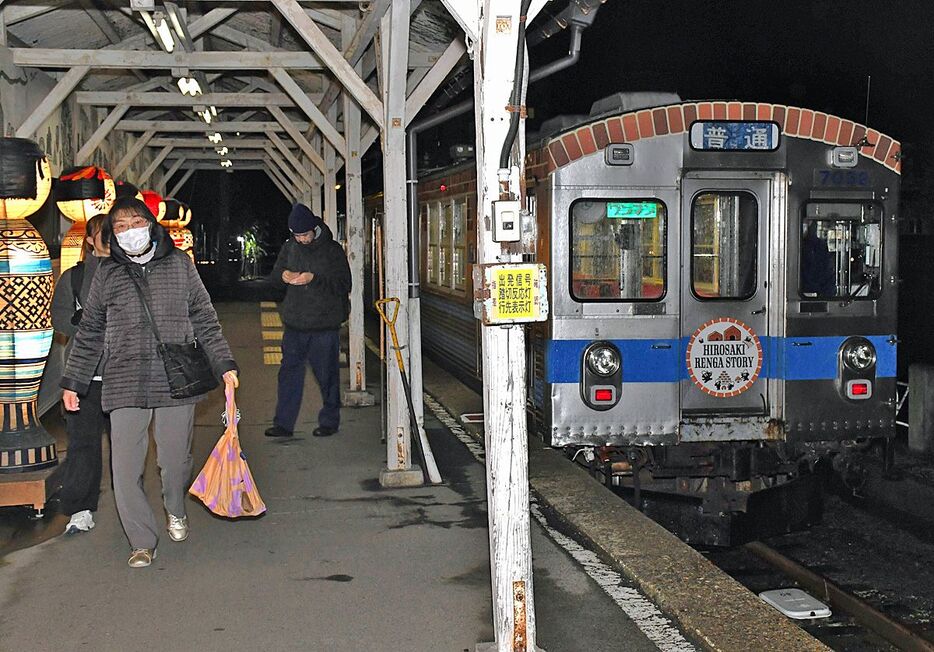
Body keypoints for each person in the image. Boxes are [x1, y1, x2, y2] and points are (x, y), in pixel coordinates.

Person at [60, 197, 238, 568]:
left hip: (174, 379)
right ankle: (141, 540)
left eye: (135, 223)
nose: (129, 232)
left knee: (174, 462)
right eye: (120, 227)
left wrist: (224, 364)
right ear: (112, 234)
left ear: (150, 224)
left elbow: (204, 317)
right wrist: (74, 381)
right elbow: (90, 330)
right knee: (124, 468)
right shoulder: (107, 274)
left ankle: (175, 507)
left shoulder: (179, 265)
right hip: (123, 380)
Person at [265, 203, 351, 439]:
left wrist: (314, 278)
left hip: (324, 326)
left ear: (314, 228)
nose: (301, 239)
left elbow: (344, 284)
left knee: (327, 375)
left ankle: (329, 421)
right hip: (294, 324)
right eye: (297, 235)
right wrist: (282, 276)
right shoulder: (289, 247)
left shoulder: (332, 251)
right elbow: (274, 277)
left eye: (304, 234)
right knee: (288, 375)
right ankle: (283, 424)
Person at [50, 213, 110, 535]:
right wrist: (84, 326)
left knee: (129, 446)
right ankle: (80, 509)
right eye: (104, 232)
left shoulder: (128, 274)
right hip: (83, 376)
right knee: (82, 444)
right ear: (89, 239)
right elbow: (59, 316)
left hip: (122, 375)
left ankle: (132, 503)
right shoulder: (74, 277)